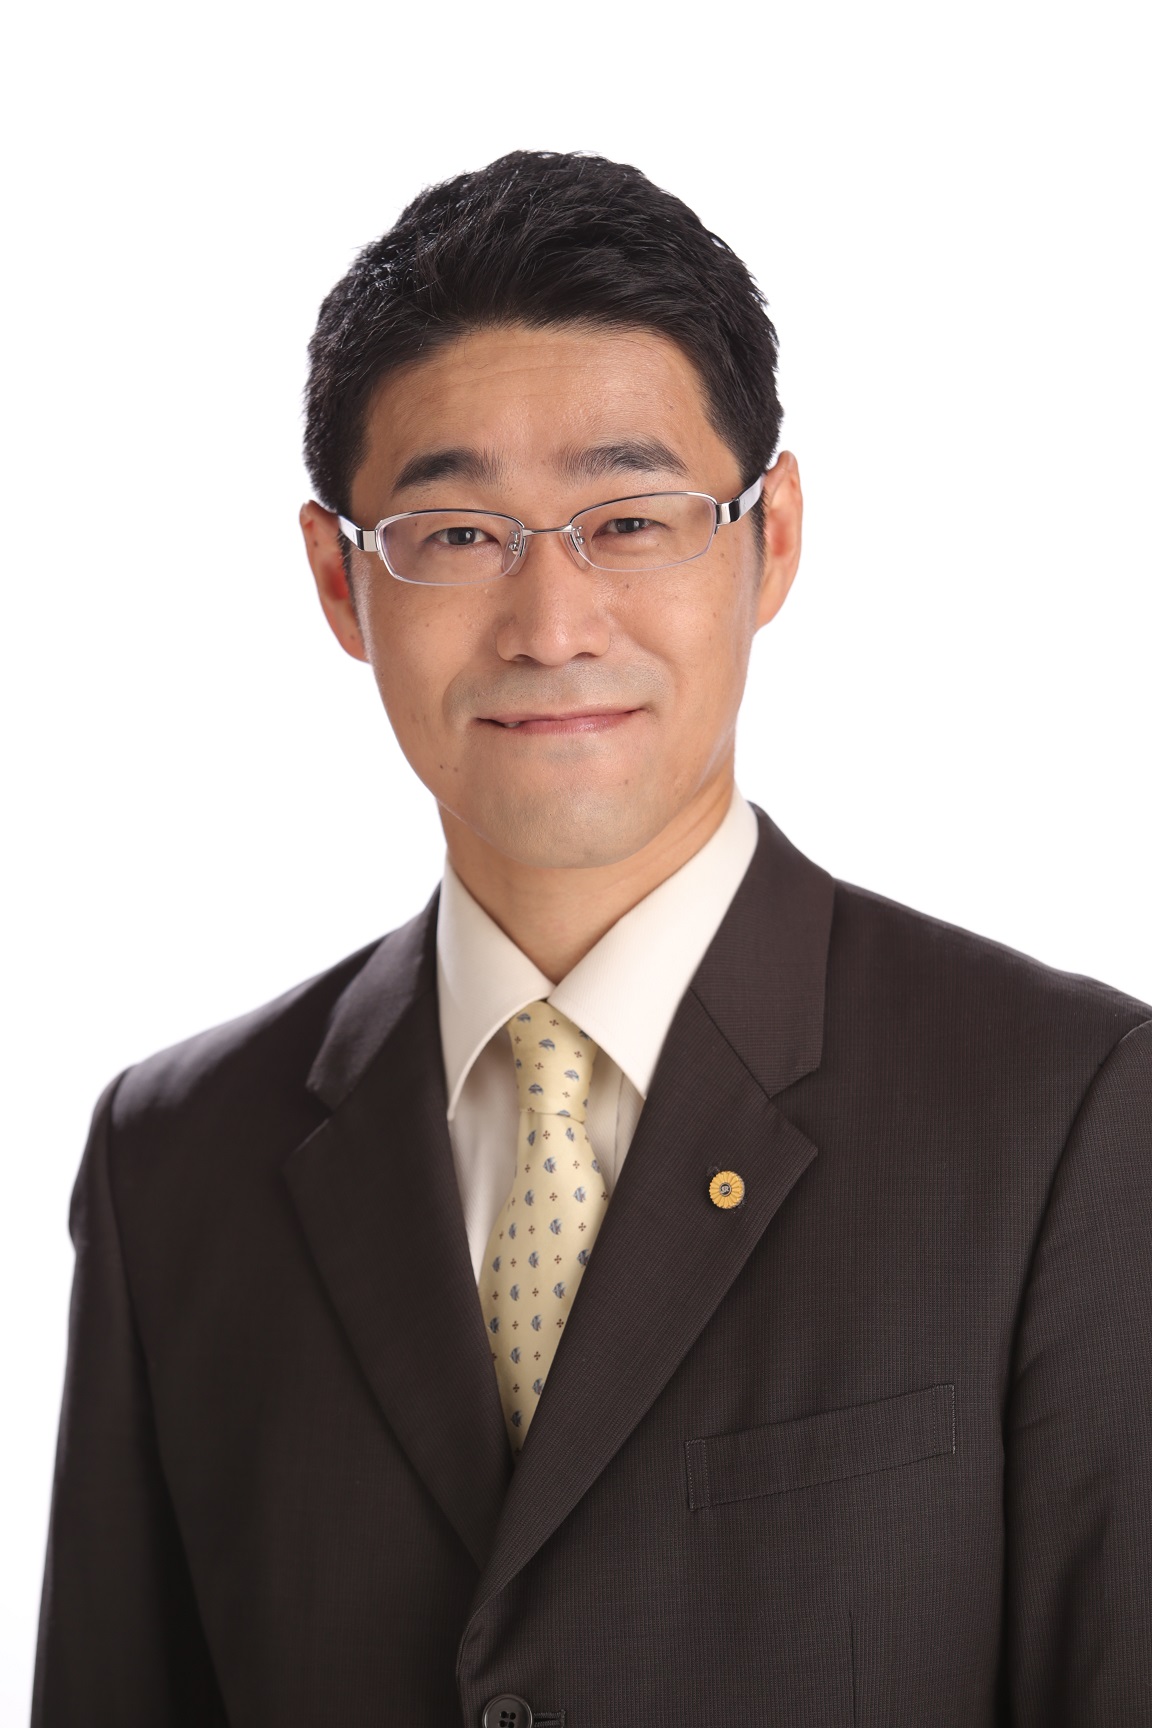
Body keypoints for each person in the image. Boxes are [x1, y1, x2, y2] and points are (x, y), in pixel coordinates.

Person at [32, 150, 1152, 1728]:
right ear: (340, 583)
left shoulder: (1066, 1112)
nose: (551, 626)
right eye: (457, 533)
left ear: (772, 539)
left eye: (629, 520)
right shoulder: (176, 1160)